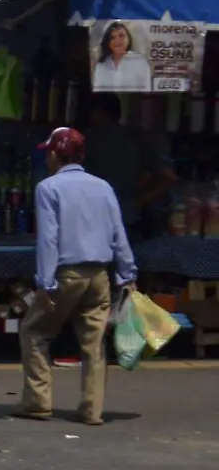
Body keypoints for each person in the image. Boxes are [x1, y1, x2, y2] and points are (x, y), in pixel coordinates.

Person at [14, 127, 136, 426]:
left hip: (66, 275)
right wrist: (127, 273)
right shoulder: (104, 187)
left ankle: (37, 401)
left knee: (35, 331)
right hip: (99, 276)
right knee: (94, 344)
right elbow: (118, 234)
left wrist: (45, 283)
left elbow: (49, 240)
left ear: (55, 154)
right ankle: (92, 410)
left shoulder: (48, 188)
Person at [84, 93, 177, 237]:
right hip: (127, 219)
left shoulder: (88, 140)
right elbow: (168, 178)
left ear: (99, 112)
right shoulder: (136, 139)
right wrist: (138, 203)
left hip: (96, 218)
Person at [92, 22, 152, 92]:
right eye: (112, 37)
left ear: (128, 38)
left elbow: (146, 92)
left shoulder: (140, 62)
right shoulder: (101, 65)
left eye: (121, 35)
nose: (117, 41)